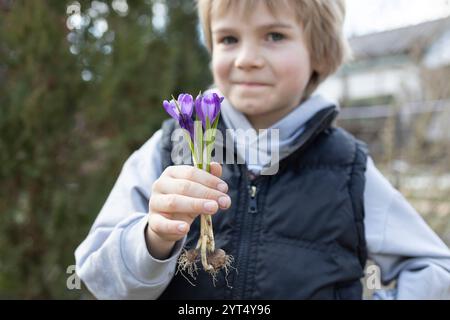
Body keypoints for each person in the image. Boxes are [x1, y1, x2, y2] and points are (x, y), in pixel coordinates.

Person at [75, 0, 450, 299]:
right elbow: (98, 276)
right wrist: (154, 239)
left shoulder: (349, 167)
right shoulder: (168, 148)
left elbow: (435, 270)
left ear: (320, 53)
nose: (246, 58)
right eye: (228, 39)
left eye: (273, 35)